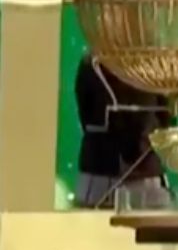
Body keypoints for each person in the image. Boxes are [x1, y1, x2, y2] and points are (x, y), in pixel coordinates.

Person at [73, 53, 172, 209]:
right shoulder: (157, 63)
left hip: (101, 175)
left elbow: (86, 111)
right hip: (133, 176)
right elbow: (166, 118)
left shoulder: (91, 64)